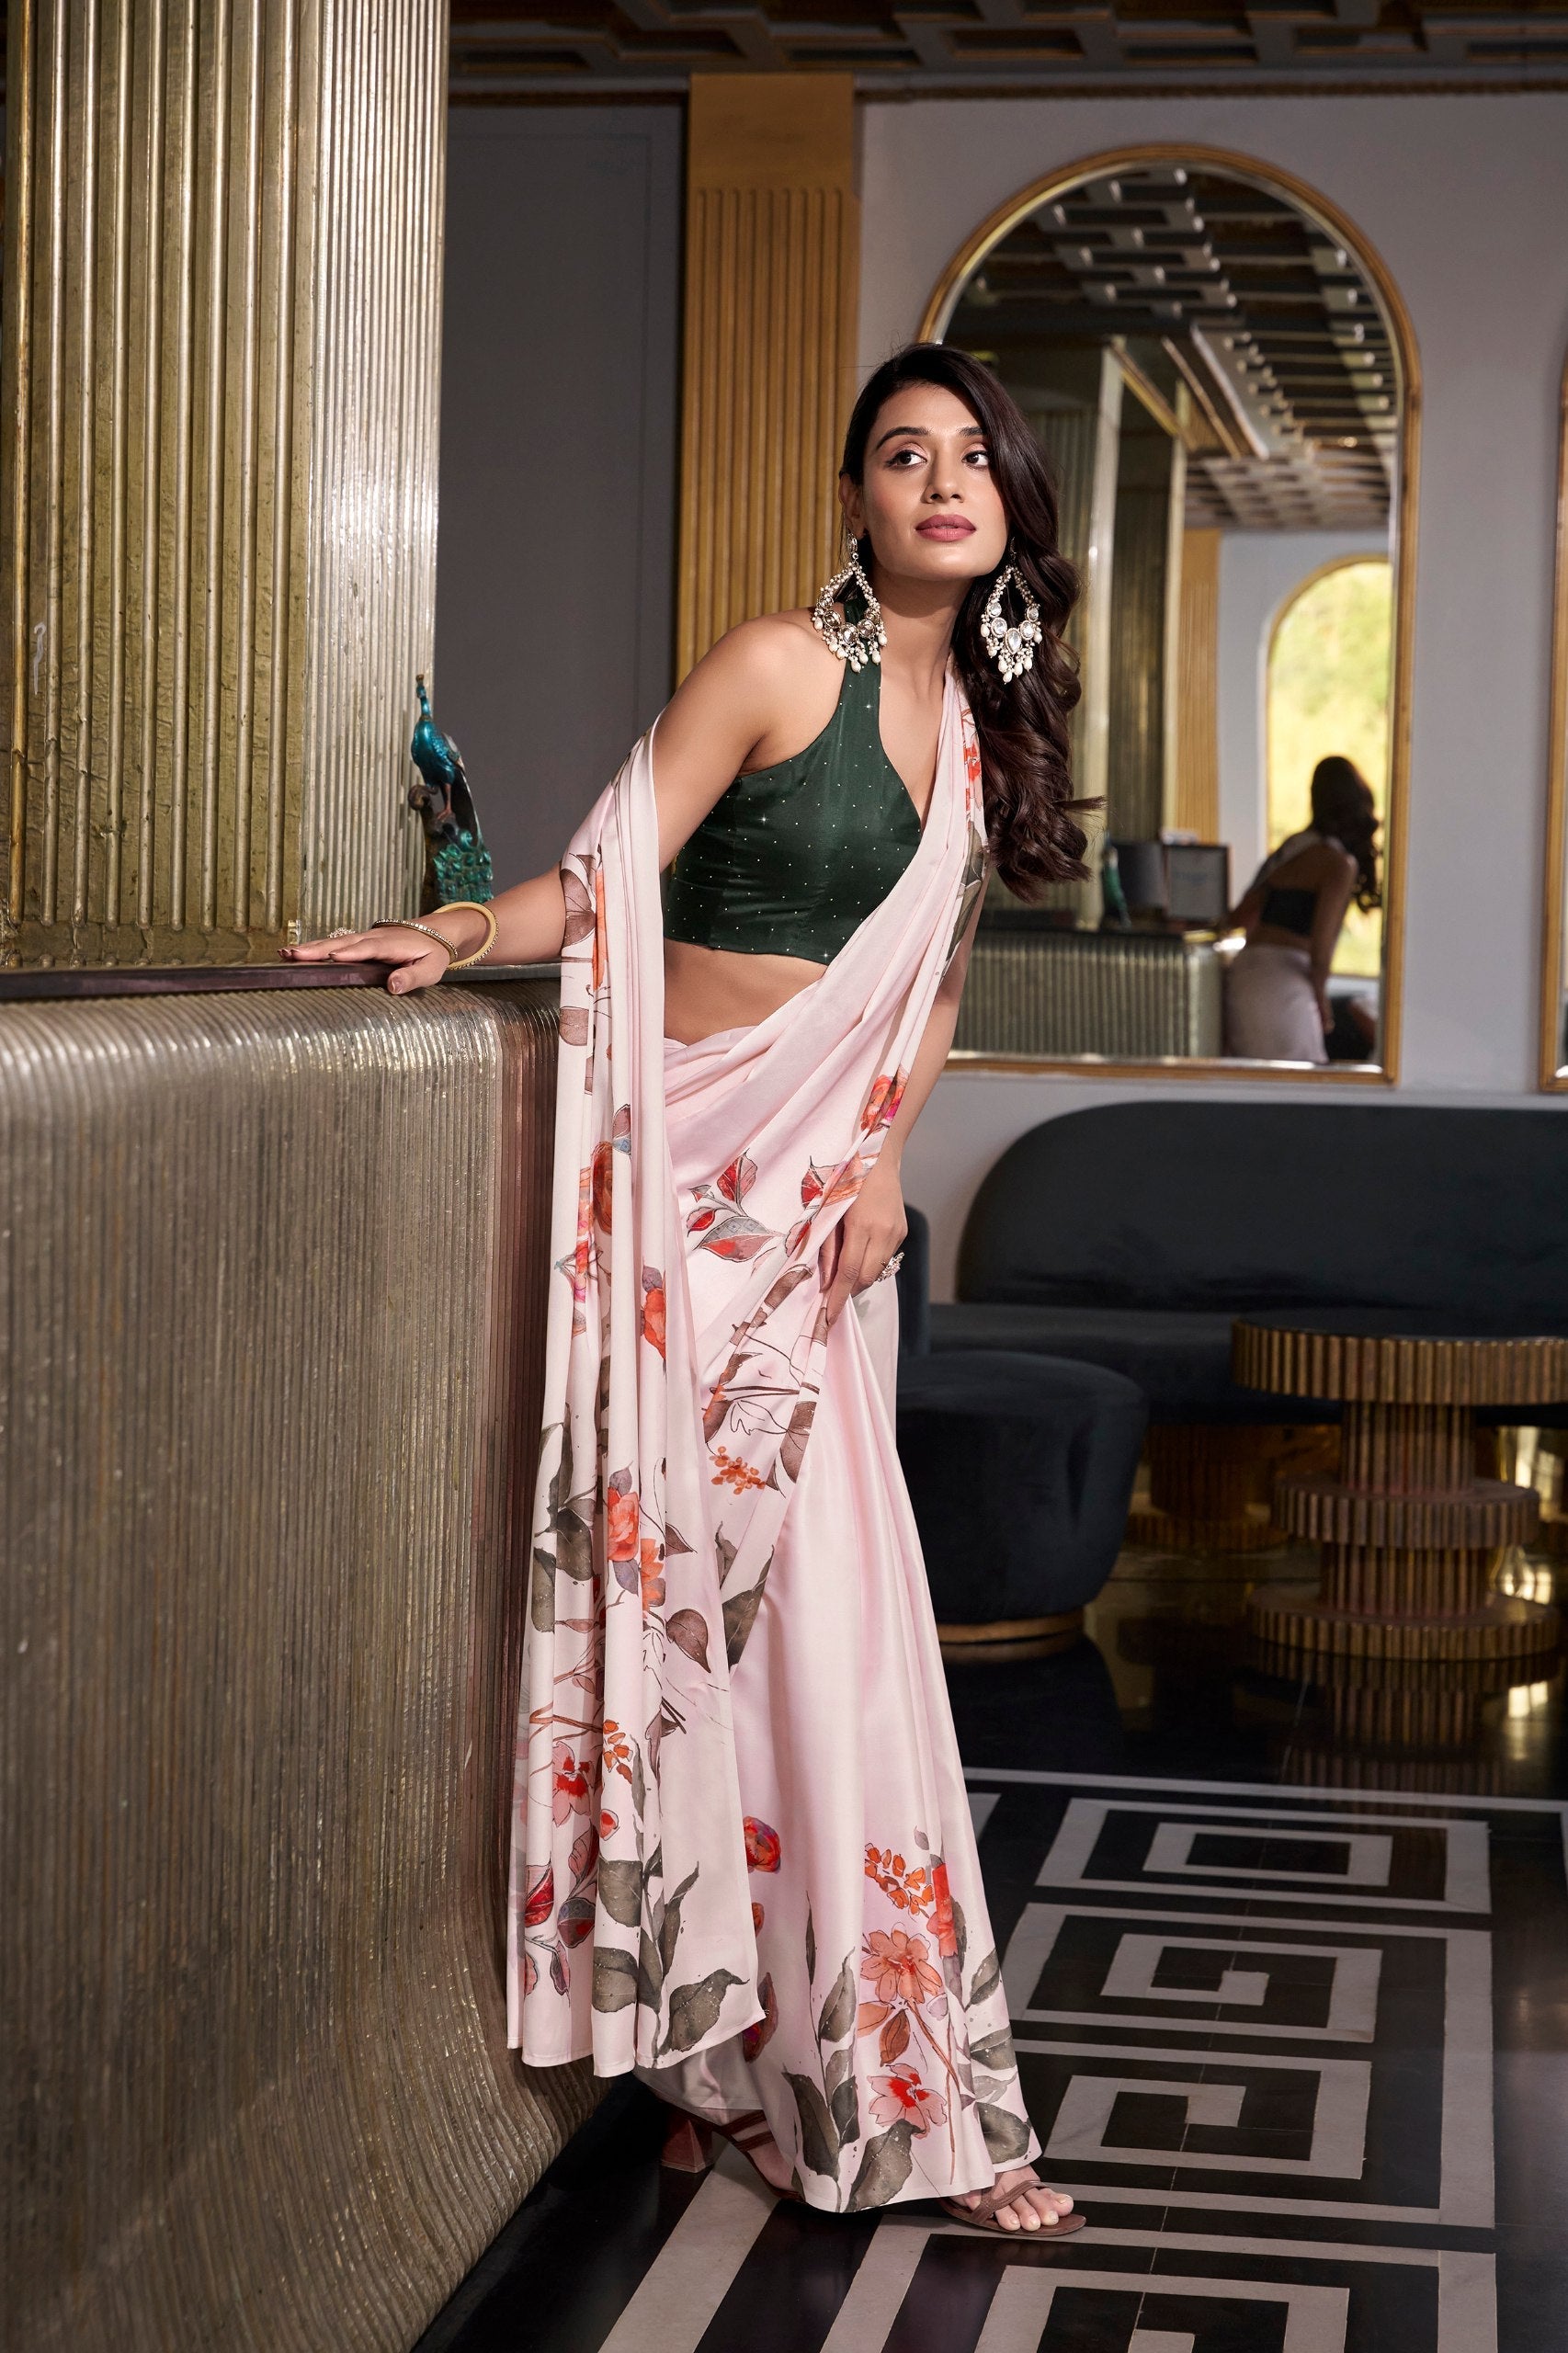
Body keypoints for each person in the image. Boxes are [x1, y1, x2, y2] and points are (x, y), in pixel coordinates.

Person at [283, 346, 1090, 2238]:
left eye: (972, 457)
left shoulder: (984, 738)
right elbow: (601, 880)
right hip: (677, 1208)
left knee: (837, 1642)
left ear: (1011, 506)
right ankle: (714, 2055)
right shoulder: (776, 665)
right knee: (672, 1636)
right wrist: (455, 930)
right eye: (902, 453)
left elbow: (931, 983)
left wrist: (883, 1154)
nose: (940, 481)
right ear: (855, 496)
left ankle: (901, 2098)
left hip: (812, 1223)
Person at [1224, 755, 1382, 1063]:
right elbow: (1320, 952)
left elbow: (1239, 916)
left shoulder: (1293, 848)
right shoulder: (1338, 864)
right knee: (1301, 1080)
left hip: (1244, 978)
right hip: (1284, 985)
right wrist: (1322, 1003)